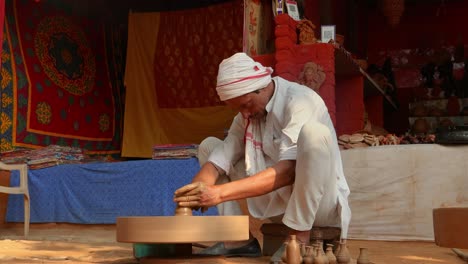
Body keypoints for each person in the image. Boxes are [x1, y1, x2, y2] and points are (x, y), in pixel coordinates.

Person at [173, 52, 351, 262]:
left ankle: (298, 238)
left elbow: (287, 172)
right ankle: (237, 240)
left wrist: (218, 193)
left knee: (314, 135)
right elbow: (218, 160)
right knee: (209, 146)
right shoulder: (247, 115)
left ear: (263, 86)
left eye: (246, 104)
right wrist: (195, 192)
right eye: (238, 108)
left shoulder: (301, 101)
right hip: (276, 206)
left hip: (319, 205)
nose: (244, 114)